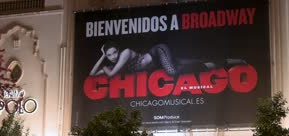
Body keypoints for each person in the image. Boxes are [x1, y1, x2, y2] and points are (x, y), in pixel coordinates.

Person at [89, 42, 223, 78]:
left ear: (118, 51)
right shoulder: (113, 66)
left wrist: (106, 68)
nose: (113, 56)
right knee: (194, 62)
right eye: (109, 55)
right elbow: (92, 75)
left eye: (114, 52)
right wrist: (102, 56)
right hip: (159, 65)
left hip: (158, 52)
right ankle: (219, 63)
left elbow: (111, 75)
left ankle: (208, 65)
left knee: (171, 71)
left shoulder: (125, 53)